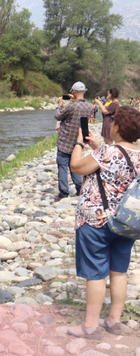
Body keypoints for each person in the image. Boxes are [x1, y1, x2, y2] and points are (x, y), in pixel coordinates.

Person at [67, 106, 140, 339]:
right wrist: (97, 146)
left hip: (95, 221)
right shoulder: (137, 155)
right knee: (119, 271)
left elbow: (77, 167)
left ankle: (90, 326)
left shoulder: (107, 152)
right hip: (126, 222)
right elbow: (121, 164)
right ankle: (114, 321)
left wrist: (79, 143)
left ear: (117, 127)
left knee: (96, 273)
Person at [54, 81, 95, 200]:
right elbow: (78, 112)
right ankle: (79, 189)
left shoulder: (71, 106)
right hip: (78, 141)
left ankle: (63, 193)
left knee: (62, 167)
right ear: (85, 92)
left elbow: (58, 116)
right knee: (75, 166)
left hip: (65, 141)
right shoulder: (90, 106)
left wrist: (60, 104)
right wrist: (74, 100)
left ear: (74, 92)